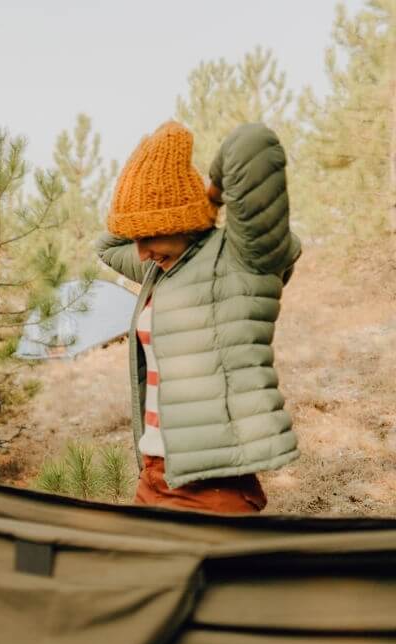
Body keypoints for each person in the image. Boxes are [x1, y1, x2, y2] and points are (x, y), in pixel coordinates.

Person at [96, 121, 300, 514]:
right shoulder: (162, 268)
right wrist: (144, 176)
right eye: (136, 238)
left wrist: (210, 196)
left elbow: (252, 143)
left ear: (180, 222)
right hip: (154, 475)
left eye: (149, 235)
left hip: (214, 483)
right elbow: (107, 244)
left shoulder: (242, 258)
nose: (138, 253)